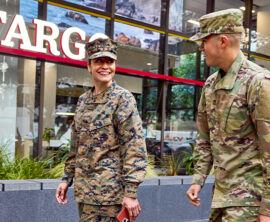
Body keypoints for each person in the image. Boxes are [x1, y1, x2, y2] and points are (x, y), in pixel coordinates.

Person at [186, 9, 270, 222]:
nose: (201, 47)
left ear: (222, 41)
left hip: (250, 203)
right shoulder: (210, 85)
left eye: (204, 41)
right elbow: (205, 139)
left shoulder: (258, 83)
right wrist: (198, 179)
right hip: (220, 198)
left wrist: (267, 210)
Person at [55, 33, 147, 222]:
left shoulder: (123, 99)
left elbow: (134, 147)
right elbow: (76, 145)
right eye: (99, 61)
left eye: (109, 61)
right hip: (85, 195)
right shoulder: (83, 101)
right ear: (89, 66)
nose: (105, 66)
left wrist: (131, 193)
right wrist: (66, 179)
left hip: (110, 198)